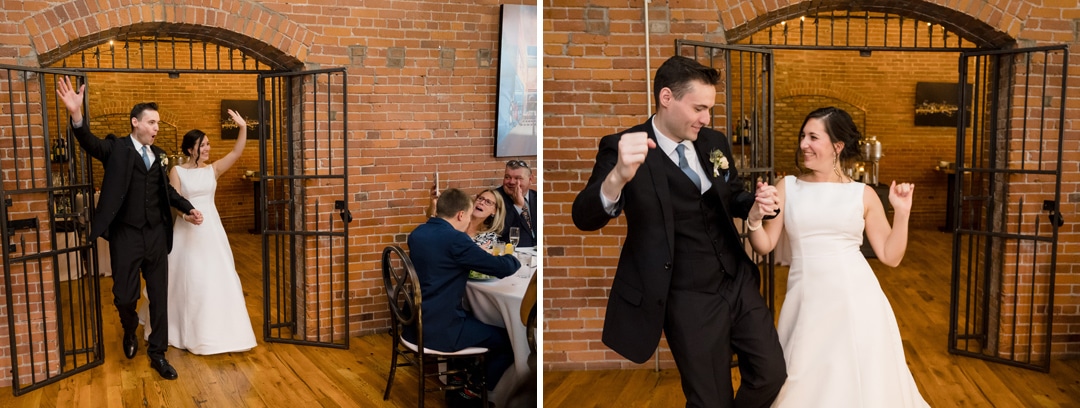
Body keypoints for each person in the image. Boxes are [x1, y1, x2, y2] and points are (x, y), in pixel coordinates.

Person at [571, 55, 786, 407]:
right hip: (686, 297)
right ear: (666, 97)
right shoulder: (623, 147)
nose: (707, 118)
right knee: (710, 400)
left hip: (738, 282)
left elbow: (729, 195)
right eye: (699, 108)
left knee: (771, 374)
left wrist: (757, 203)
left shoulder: (713, 141)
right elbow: (584, 216)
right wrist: (618, 177)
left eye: (710, 109)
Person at [745, 107, 926, 407]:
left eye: (813, 137)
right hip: (806, 301)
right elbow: (764, 245)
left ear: (837, 146)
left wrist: (902, 213)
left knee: (859, 381)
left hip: (857, 301)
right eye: (803, 136)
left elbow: (890, 256)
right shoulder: (787, 187)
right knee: (801, 379)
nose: (803, 144)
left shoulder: (863, 194)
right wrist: (754, 219)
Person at [56, 77, 204, 380]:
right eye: (151, 122)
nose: (156, 128)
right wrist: (76, 115)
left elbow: (166, 192)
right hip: (125, 234)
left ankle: (158, 354)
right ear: (135, 122)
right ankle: (129, 327)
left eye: (158, 123)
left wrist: (187, 208)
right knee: (125, 295)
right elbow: (89, 142)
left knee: (160, 295)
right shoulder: (116, 148)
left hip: (155, 234)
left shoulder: (160, 155)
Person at [139, 109, 258, 355]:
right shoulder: (177, 172)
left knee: (216, 276)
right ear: (191, 148)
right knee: (187, 279)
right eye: (203, 145)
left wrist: (243, 128)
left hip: (212, 231)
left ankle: (219, 329)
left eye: (208, 144)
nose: (207, 148)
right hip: (187, 230)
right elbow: (174, 201)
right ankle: (180, 329)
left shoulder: (213, 169)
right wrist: (186, 216)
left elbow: (236, 152)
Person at [407, 188, 522, 407]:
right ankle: (470, 392)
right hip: (440, 329)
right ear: (461, 215)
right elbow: (499, 268)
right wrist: (511, 256)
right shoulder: (456, 240)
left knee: (474, 319)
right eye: (469, 215)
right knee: (507, 342)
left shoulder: (418, 233)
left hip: (414, 323)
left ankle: (458, 377)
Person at [429, 187, 508, 250]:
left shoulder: (489, 237)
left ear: (494, 211)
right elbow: (434, 222)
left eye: (488, 202)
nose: (481, 202)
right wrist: (434, 203)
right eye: (480, 198)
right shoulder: (457, 218)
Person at [496, 160, 537, 248]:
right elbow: (498, 231)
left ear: (530, 179)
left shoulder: (537, 198)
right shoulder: (494, 198)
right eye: (507, 177)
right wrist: (518, 206)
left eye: (518, 178)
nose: (511, 182)